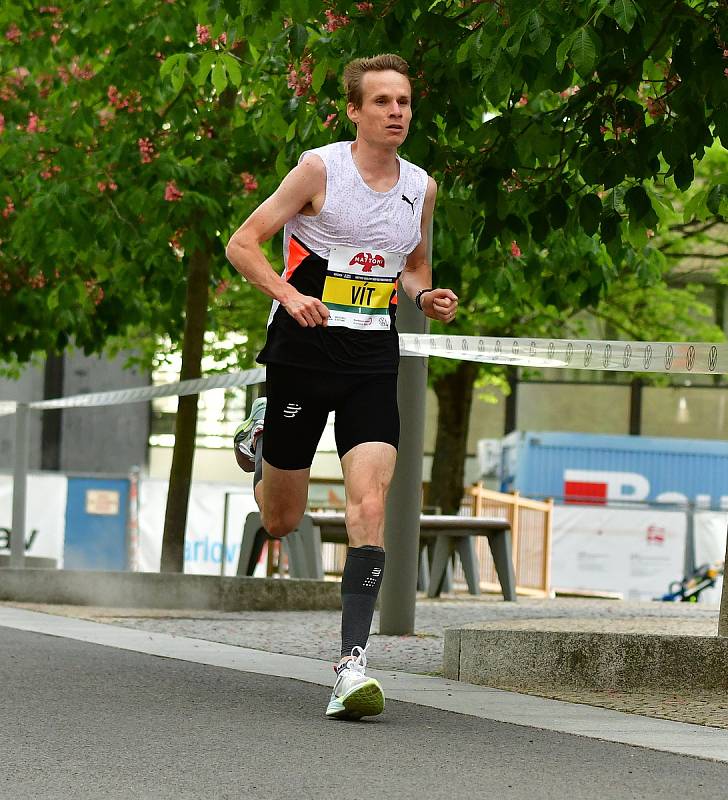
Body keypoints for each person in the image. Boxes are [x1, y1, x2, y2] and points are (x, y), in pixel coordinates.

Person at [225, 53, 458, 720]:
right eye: (382, 101)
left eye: (405, 102)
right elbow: (244, 243)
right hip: (302, 351)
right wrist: (286, 295)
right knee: (282, 518)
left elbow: (410, 268)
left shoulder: (421, 187)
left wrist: (426, 295)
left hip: (370, 359)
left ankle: (351, 666)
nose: (396, 112)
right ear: (354, 111)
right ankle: (268, 433)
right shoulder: (319, 170)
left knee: (371, 502)